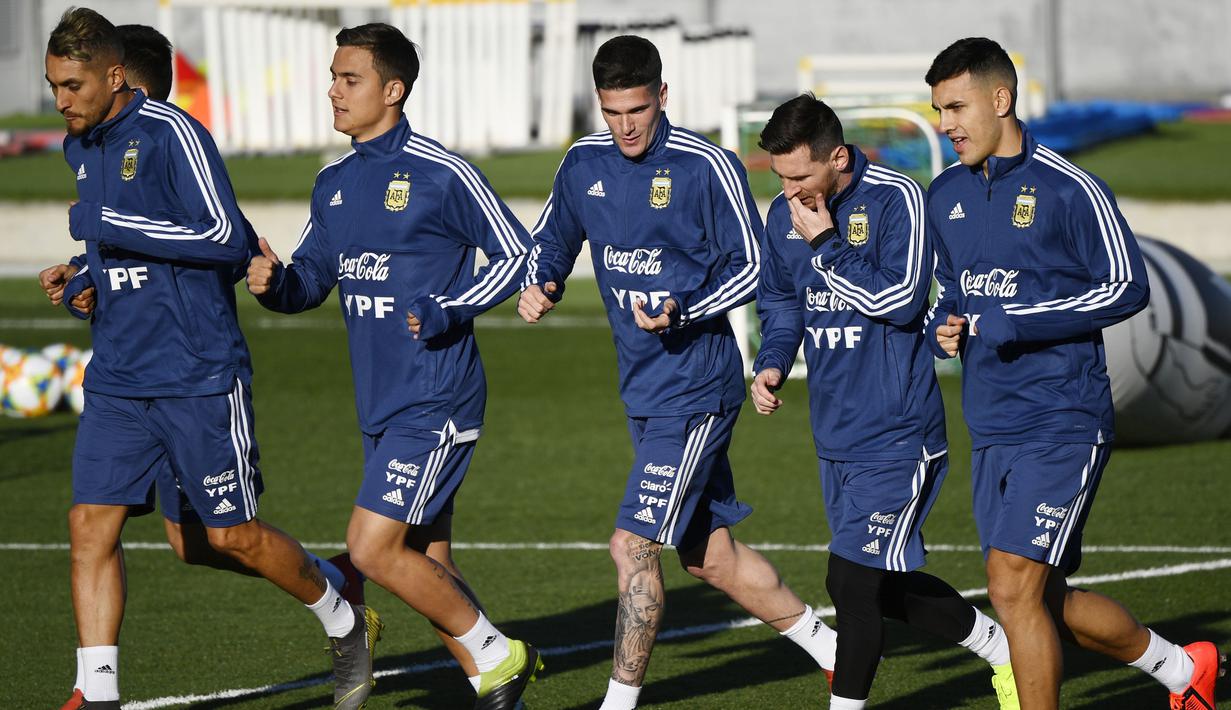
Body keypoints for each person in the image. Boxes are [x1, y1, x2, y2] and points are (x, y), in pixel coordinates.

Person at [45, 9, 379, 709]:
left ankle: (340, 608)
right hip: (118, 377)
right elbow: (119, 252)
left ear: (114, 76)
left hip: (194, 375)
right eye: (53, 86)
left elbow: (227, 237)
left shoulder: (173, 134)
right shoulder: (81, 146)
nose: (60, 101)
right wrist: (83, 280)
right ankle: (98, 693)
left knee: (227, 537)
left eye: (72, 86)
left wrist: (107, 224)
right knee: (89, 526)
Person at [518, 35, 838, 710]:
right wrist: (543, 281)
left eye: (637, 109)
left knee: (632, 544)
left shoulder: (705, 166)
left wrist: (683, 310)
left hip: (695, 390)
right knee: (709, 556)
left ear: (661, 96)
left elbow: (753, 267)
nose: (625, 126)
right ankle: (836, 652)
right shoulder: (582, 163)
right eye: (612, 112)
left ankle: (618, 703)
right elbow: (553, 238)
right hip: (641, 388)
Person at [245, 22, 541, 710]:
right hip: (379, 404)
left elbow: (521, 256)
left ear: (393, 90)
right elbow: (312, 277)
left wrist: (449, 307)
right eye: (333, 77)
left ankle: (501, 656)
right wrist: (275, 283)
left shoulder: (443, 173)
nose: (334, 90)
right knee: (427, 562)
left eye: (350, 79)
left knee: (371, 549)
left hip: (436, 399)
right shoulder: (334, 183)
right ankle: (497, 689)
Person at [924, 36, 1222, 710]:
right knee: (1040, 598)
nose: (944, 124)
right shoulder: (945, 195)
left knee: (1010, 586)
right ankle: (1182, 669)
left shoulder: (1070, 188)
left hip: (1062, 417)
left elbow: (1127, 287)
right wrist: (945, 324)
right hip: (991, 423)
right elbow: (953, 291)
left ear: (1001, 99)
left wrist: (1017, 320)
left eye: (956, 107)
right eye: (938, 110)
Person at [752, 93, 1018, 710]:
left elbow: (900, 301)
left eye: (800, 176)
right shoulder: (784, 215)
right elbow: (783, 303)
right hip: (835, 436)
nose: (789, 192)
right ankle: (1003, 649)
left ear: (838, 158)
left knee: (849, 583)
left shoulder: (897, 199)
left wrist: (826, 244)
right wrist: (772, 361)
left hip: (899, 435)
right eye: (781, 178)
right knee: (874, 585)